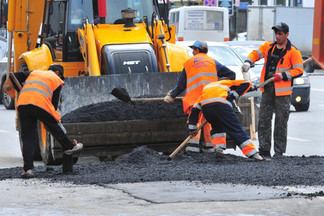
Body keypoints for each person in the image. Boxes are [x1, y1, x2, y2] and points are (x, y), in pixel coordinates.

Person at [241, 22, 303, 158]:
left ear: (287, 34)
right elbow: (255, 54)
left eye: (280, 33)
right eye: (276, 33)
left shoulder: (293, 51)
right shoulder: (268, 47)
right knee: (264, 121)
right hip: (267, 89)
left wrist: (283, 75)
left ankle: (279, 152)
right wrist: (248, 62)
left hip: (282, 93)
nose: (277, 36)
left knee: (281, 123)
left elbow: (298, 70)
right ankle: (264, 150)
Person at [164, 40, 236, 156]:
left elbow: (181, 85)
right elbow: (231, 75)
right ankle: (210, 150)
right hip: (211, 99)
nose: (192, 52)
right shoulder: (213, 62)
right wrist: (221, 84)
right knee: (208, 123)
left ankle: (192, 151)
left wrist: (171, 95)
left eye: (193, 49)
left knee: (194, 123)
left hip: (195, 100)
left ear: (197, 50)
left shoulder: (189, 63)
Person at [13, 64, 83, 178]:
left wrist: (21, 91)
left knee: (27, 138)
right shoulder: (57, 80)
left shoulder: (34, 73)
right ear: (58, 73)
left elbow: (13, 76)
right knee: (55, 125)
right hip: (40, 104)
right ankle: (70, 147)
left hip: (23, 104)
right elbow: (53, 106)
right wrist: (50, 122)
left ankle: (28, 169)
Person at [188, 79, 264, 161]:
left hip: (207, 109)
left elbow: (195, 109)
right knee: (235, 129)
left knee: (217, 128)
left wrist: (193, 129)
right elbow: (247, 83)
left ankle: (219, 150)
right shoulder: (227, 82)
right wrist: (234, 95)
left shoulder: (207, 89)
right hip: (222, 107)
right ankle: (253, 154)